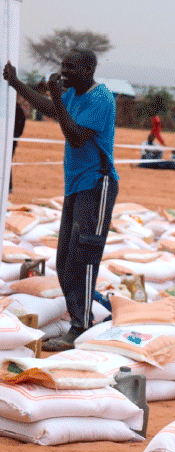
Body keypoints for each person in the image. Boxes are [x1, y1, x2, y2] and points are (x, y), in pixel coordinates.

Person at [4, 49, 119, 352]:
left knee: (83, 258)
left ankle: (80, 327)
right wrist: (17, 83)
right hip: (76, 186)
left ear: (89, 69)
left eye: (71, 67)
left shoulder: (100, 98)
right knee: (64, 261)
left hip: (97, 185)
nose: (64, 72)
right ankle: (79, 320)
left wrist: (56, 94)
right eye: (63, 66)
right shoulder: (72, 95)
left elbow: (76, 136)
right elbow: (50, 107)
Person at [11, 101, 26, 193]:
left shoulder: (18, 110)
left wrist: (14, 137)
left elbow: (20, 128)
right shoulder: (18, 110)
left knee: (7, 163)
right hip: (12, 140)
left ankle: (8, 187)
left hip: (11, 141)